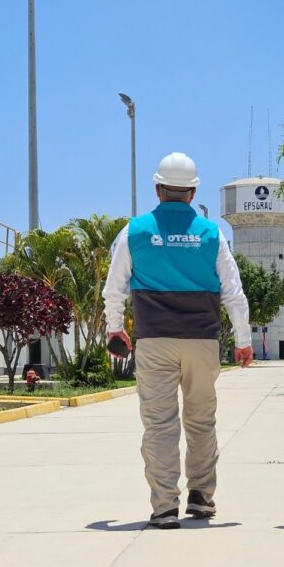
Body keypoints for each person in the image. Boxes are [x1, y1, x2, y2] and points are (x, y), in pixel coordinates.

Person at [103, 152, 254, 530]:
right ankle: (201, 497)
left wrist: (115, 328)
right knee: (201, 420)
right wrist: (243, 339)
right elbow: (233, 292)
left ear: (158, 189)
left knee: (160, 424)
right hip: (202, 341)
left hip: (154, 341)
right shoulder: (211, 233)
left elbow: (114, 287)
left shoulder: (134, 231)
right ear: (193, 192)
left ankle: (165, 507)